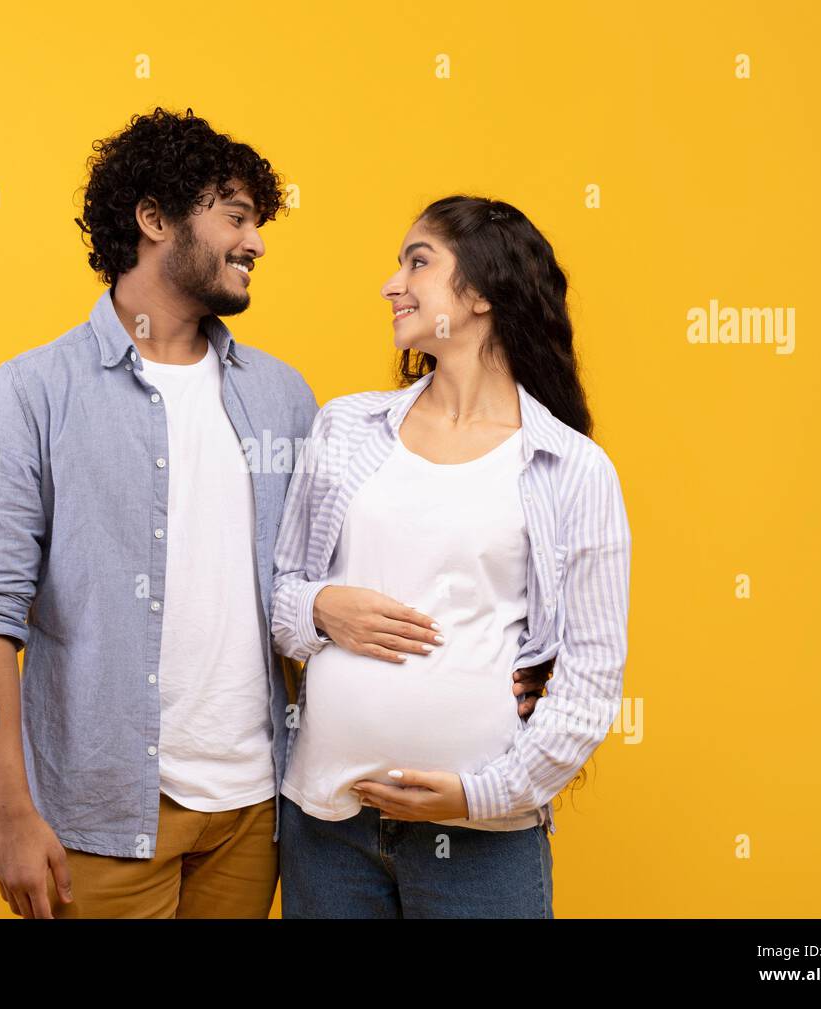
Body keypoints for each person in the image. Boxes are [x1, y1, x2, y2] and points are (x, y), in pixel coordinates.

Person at [0, 107, 319, 918]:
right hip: (102, 813)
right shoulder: (30, 393)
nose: (255, 242)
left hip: (256, 809)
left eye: (257, 222)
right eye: (235, 216)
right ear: (154, 219)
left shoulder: (283, 396)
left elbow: (318, 586)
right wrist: (12, 811)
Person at [270, 195, 633, 918]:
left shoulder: (570, 467)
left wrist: (481, 794)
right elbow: (281, 596)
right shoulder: (346, 428)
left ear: (481, 293)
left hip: (482, 841)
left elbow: (590, 679)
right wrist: (317, 606)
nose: (390, 283)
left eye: (418, 261)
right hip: (326, 827)